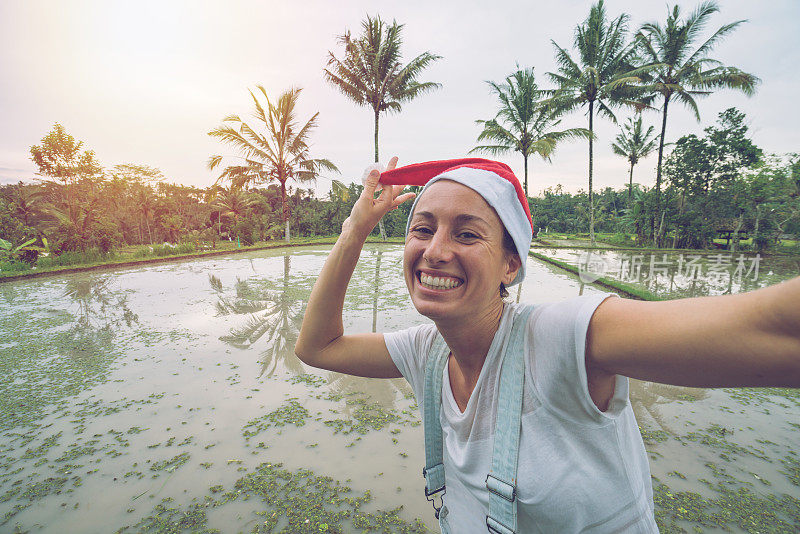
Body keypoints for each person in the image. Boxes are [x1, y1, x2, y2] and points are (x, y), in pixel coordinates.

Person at [294, 156, 800, 533]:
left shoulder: (563, 337)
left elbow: (776, 331)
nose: (435, 251)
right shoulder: (424, 351)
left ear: (510, 265)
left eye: (467, 235)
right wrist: (355, 228)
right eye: (422, 230)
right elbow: (319, 347)